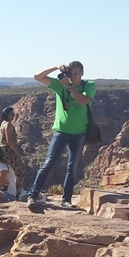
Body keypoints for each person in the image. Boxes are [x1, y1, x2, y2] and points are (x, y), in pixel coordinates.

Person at [28, 61, 95, 207]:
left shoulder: (89, 85)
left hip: (79, 133)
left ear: (82, 73)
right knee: (48, 162)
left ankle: (66, 200)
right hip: (60, 131)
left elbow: (83, 101)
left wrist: (69, 86)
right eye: (71, 73)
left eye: (76, 73)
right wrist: (56, 67)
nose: (73, 76)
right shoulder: (61, 85)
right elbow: (37, 77)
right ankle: (32, 195)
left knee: (72, 167)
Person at [0, 106, 26, 193]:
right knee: (20, 171)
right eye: (11, 114)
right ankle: (17, 191)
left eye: (14, 114)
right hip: (9, 152)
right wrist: (16, 152)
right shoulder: (8, 125)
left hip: (3, 151)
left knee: (9, 173)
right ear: (6, 115)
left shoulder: (2, 124)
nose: (13, 116)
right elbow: (9, 140)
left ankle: (10, 190)